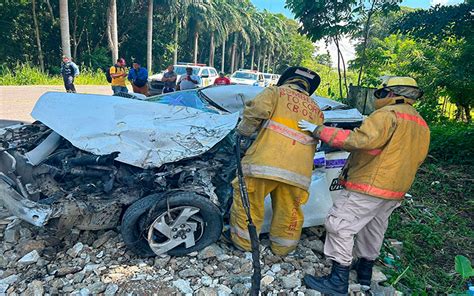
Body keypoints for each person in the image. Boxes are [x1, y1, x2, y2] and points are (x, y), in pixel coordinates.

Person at [299, 76, 430, 294]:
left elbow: (359, 140)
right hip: (395, 190)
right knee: (373, 227)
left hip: (371, 185)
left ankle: (337, 281)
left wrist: (318, 130)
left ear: (389, 94)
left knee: (339, 224)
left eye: (380, 93)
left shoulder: (387, 115)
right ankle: (365, 273)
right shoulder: (420, 123)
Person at [229, 66, 324, 256]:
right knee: (290, 212)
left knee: (249, 204)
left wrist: (243, 132)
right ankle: (283, 248)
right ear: (308, 87)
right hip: (298, 173)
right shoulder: (316, 109)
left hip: (264, 165)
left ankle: (245, 245)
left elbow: (255, 111)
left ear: (286, 80)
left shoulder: (275, 92)